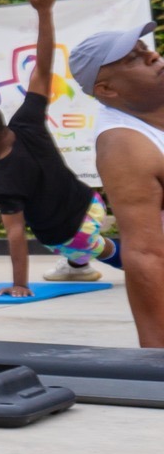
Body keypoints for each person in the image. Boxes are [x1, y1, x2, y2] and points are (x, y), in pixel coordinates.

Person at [0, 0, 120, 297]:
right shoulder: (26, 121)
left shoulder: (1, 178)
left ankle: (99, 259)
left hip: (70, 234)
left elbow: (15, 234)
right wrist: (44, 11)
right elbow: (43, 67)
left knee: (113, 252)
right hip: (92, 204)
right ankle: (78, 269)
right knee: (90, 239)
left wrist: (19, 284)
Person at [66, 19, 164, 346]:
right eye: (133, 58)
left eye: (146, 50)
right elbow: (145, 253)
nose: (153, 57)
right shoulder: (125, 145)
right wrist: (156, 355)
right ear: (107, 89)